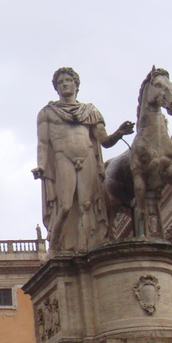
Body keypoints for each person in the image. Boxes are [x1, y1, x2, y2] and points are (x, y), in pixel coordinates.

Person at [33, 67, 134, 253]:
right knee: (64, 207)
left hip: (87, 157)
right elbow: (43, 144)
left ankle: (85, 247)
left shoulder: (90, 111)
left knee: (87, 205)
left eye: (68, 80)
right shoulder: (47, 113)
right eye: (60, 82)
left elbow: (104, 141)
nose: (64, 84)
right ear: (56, 88)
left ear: (76, 84)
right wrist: (41, 165)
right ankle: (55, 246)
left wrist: (119, 133)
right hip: (63, 158)